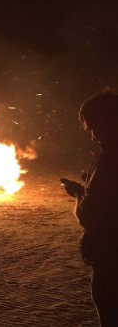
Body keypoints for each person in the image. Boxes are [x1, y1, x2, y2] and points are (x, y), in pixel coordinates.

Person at [61, 88, 118, 326]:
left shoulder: (108, 160)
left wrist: (78, 194)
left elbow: (88, 216)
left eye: (93, 127)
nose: (93, 136)